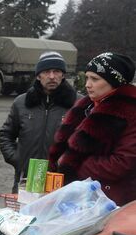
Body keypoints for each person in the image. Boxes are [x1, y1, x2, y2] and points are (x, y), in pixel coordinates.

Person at [49, 52, 136, 206]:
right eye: (87, 77)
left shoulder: (130, 112)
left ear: (115, 82)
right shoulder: (86, 106)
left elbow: (123, 162)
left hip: (109, 201)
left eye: (95, 79)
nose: (88, 84)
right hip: (76, 195)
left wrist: (73, 164)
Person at [0, 51, 78, 193]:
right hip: (26, 179)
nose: (52, 76)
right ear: (38, 75)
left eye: (57, 71)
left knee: (55, 215)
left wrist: (68, 165)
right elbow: (6, 134)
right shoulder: (21, 102)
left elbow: (85, 143)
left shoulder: (78, 104)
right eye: (47, 71)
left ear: (63, 74)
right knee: (22, 215)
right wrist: (17, 159)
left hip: (61, 182)